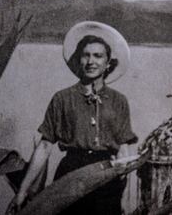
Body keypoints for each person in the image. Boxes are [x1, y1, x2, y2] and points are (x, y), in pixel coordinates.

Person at [11, 21, 138, 214]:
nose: (91, 61)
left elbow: (123, 148)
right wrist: (23, 190)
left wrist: (122, 184)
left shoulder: (119, 101)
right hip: (70, 175)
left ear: (107, 63)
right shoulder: (62, 99)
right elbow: (45, 146)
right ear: (79, 60)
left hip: (107, 174)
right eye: (85, 55)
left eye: (98, 56)